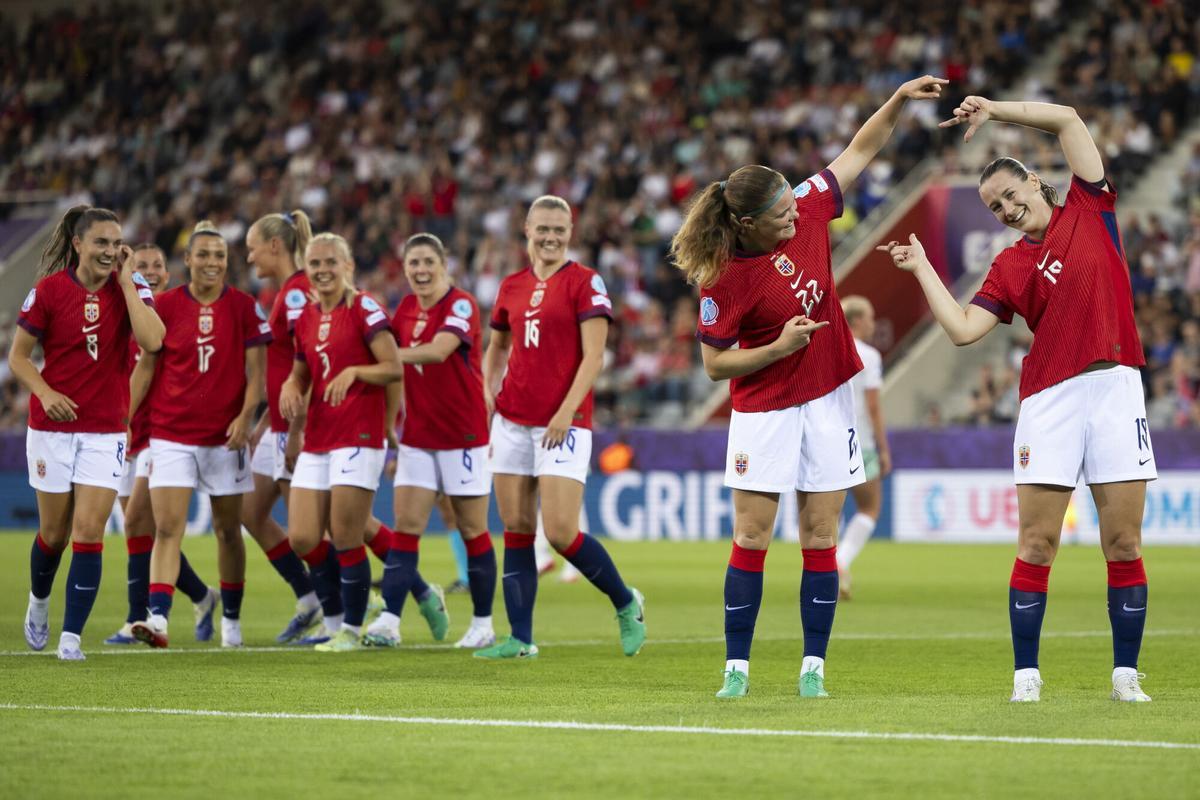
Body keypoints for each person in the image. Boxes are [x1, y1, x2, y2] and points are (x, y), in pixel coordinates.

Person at [671, 76, 948, 699]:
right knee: (752, 537)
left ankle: (813, 670)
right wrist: (775, 348)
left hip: (829, 397)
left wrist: (899, 101)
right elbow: (716, 367)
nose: (797, 216)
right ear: (744, 223)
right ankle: (736, 671)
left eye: (794, 207)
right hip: (763, 409)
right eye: (781, 216)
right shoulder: (723, 281)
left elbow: (860, 150)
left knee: (821, 536)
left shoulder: (807, 203)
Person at [878, 96, 1154, 703]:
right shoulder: (1008, 266)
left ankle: (1125, 677)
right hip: (1049, 400)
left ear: (1035, 180)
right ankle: (1026, 678)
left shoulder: (1090, 204)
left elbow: (1068, 120)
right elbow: (963, 330)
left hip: (1116, 389)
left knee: (1124, 543)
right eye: (995, 207)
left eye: (1010, 195)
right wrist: (924, 266)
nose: (1006, 210)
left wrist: (996, 110)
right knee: (1037, 543)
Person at [477, 195, 645, 660]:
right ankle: (520, 638)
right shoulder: (510, 286)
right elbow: (495, 346)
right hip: (511, 421)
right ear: (527, 231)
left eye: (559, 230)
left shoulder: (585, 283)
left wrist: (566, 410)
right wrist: (487, 388)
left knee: (561, 532)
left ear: (570, 233)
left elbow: (595, 357)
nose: (550, 237)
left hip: (563, 424)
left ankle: (626, 602)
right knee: (515, 528)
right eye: (542, 229)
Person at [11, 205, 165, 660]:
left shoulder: (130, 287)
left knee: (89, 531)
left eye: (116, 242)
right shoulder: (48, 292)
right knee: (54, 534)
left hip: (105, 431)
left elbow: (154, 341)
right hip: (52, 428)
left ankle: (70, 637)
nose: (109, 250)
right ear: (78, 243)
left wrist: (127, 283)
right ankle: (39, 603)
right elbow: (20, 357)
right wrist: (44, 391)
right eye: (100, 241)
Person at [129, 221, 270, 649]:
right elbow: (146, 368)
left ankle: (230, 620)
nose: (212, 263)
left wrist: (246, 417)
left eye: (220, 256)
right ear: (187, 260)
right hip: (170, 435)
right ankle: (158, 618)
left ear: (227, 262)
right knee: (168, 530)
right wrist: (124, 416)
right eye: (203, 255)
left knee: (228, 532)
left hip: (225, 439)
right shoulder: (166, 306)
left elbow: (258, 374)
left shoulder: (245, 307)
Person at [365, 232, 497, 650]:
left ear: (443, 265)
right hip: (418, 437)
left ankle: (482, 623)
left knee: (473, 528)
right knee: (406, 528)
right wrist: (392, 425)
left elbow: (439, 352)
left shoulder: (461, 304)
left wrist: (388, 357)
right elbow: (394, 375)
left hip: (464, 435)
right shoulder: (403, 308)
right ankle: (389, 619)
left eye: (428, 263)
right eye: (413, 264)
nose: (420, 271)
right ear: (404, 269)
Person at [279, 232, 403, 652]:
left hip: (358, 433)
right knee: (301, 537)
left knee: (346, 534)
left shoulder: (364, 307)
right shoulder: (308, 315)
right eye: (315, 264)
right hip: (319, 434)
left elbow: (393, 366)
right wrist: (289, 386)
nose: (322, 270)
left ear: (347, 266)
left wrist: (355, 374)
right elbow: (302, 370)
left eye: (331, 262)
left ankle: (349, 629)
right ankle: (360, 604)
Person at [105, 244, 216, 645]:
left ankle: (139, 617)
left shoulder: (171, 313)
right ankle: (202, 596)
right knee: (143, 533)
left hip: (158, 432)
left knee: (138, 521)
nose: (148, 271)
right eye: (140, 265)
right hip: (120, 432)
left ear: (168, 275)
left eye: (156, 265)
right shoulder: (122, 311)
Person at [244, 210, 333, 643]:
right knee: (250, 512)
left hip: (298, 426)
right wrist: (263, 420)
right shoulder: (285, 293)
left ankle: (350, 609)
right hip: (278, 423)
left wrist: (295, 428)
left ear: (275, 246)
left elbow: (310, 364)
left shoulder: (297, 294)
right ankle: (310, 598)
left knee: (314, 532)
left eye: (252, 247)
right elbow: (285, 368)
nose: (249, 257)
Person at [835, 296, 892, 599]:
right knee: (869, 508)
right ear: (857, 321)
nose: (873, 323)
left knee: (829, 512)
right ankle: (840, 562)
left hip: (829, 440)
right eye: (869, 317)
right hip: (861, 442)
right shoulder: (869, 355)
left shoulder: (829, 349)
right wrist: (884, 449)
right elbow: (873, 406)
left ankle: (822, 570)